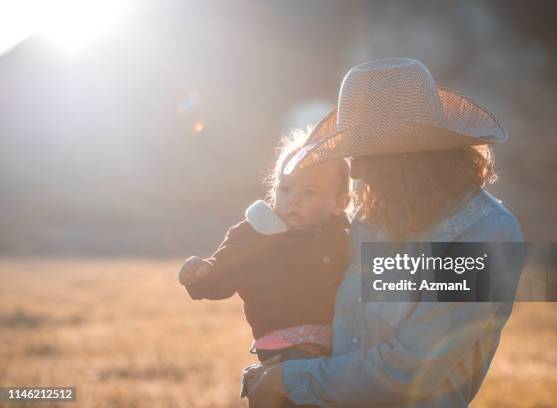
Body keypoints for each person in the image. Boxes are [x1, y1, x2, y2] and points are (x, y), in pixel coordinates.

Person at [245, 58, 524, 407]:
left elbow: (409, 369)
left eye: (365, 156)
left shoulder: (483, 233)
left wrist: (289, 379)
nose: (357, 171)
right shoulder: (373, 217)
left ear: (407, 159)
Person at [178, 131, 351, 407]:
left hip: (337, 347)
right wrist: (203, 272)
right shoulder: (257, 232)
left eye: (310, 192)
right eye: (285, 189)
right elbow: (224, 268)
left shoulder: (342, 237)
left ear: (339, 204)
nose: (294, 199)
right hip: (284, 347)